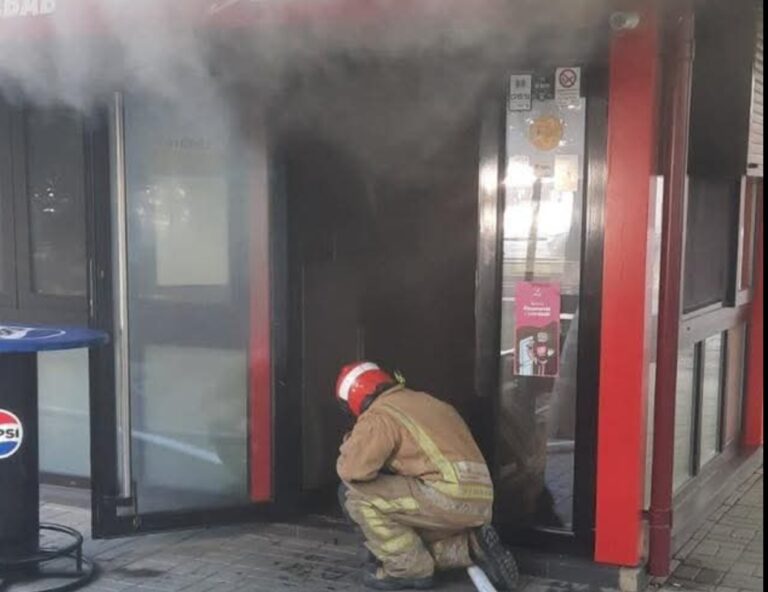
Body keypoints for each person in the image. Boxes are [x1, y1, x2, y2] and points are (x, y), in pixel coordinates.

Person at [335, 361, 519, 591]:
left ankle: (407, 570)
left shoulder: (379, 415)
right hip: (479, 499)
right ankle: (469, 548)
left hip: (446, 496)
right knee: (405, 520)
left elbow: (352, 470)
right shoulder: (429, 401)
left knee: (356, 496)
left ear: (352, 402)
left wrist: (351, 441)